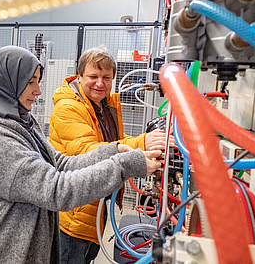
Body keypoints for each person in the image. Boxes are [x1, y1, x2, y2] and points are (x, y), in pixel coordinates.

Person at [0, 46, 161, 264]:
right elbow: (56, 190)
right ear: (5, 83)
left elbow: (58, 162)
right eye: (30, 82)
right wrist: (124, 165)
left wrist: (111, 151)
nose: (38, 91)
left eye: (37, 81)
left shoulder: (20, 122)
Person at [48, 46, 167, 264]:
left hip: (94, 206)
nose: (100, 84)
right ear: (80, 75)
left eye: (106, 77)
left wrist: (146, 141)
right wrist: (141, 143)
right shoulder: (68, 108)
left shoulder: (102, 105)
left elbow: (113, 140)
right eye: (93, 76)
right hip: (74, 213)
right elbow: (87, 150)